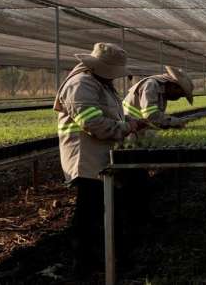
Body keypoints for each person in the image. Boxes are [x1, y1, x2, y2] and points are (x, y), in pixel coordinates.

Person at [53, 42, 146, 273]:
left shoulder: (101, 84)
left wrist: (128, 126)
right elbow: (93, 123)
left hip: (100, 156)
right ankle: (85, 263)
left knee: (100, 210)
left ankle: (100, 259)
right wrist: (127, 127)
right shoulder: (80, 85)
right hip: (85, 159)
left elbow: (111, 117)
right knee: (89, 212)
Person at [123, 65, 194, 130]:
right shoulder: (151, 85)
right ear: (174, 86)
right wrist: (176, 122)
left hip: (139, 124)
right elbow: (150, 115)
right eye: (179, 94)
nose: (177, 98)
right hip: (129, 126)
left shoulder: (162, 91)